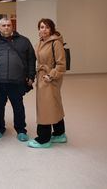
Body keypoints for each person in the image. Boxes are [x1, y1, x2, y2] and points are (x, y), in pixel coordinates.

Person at [0, 18, 36, 142]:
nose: (6, 27)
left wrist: (31, 76)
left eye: (8, 25)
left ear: (12, 26)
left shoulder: (24, 41)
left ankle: (21, 130)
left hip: (17, 81)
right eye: (3, 25)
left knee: (18, 106)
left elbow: (31, 59)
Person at [28, 18, 67, 148]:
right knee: (53, 105)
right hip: (42, 77)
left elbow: (61, 65)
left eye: (46, 27)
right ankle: (59, 133)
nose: (43, 30)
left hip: (50, 78)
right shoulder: (41, 42)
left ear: (51, 29)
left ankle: (44, 139)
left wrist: (51, 76)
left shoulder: (55, 43)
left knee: (45, 107)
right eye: (41, 27)